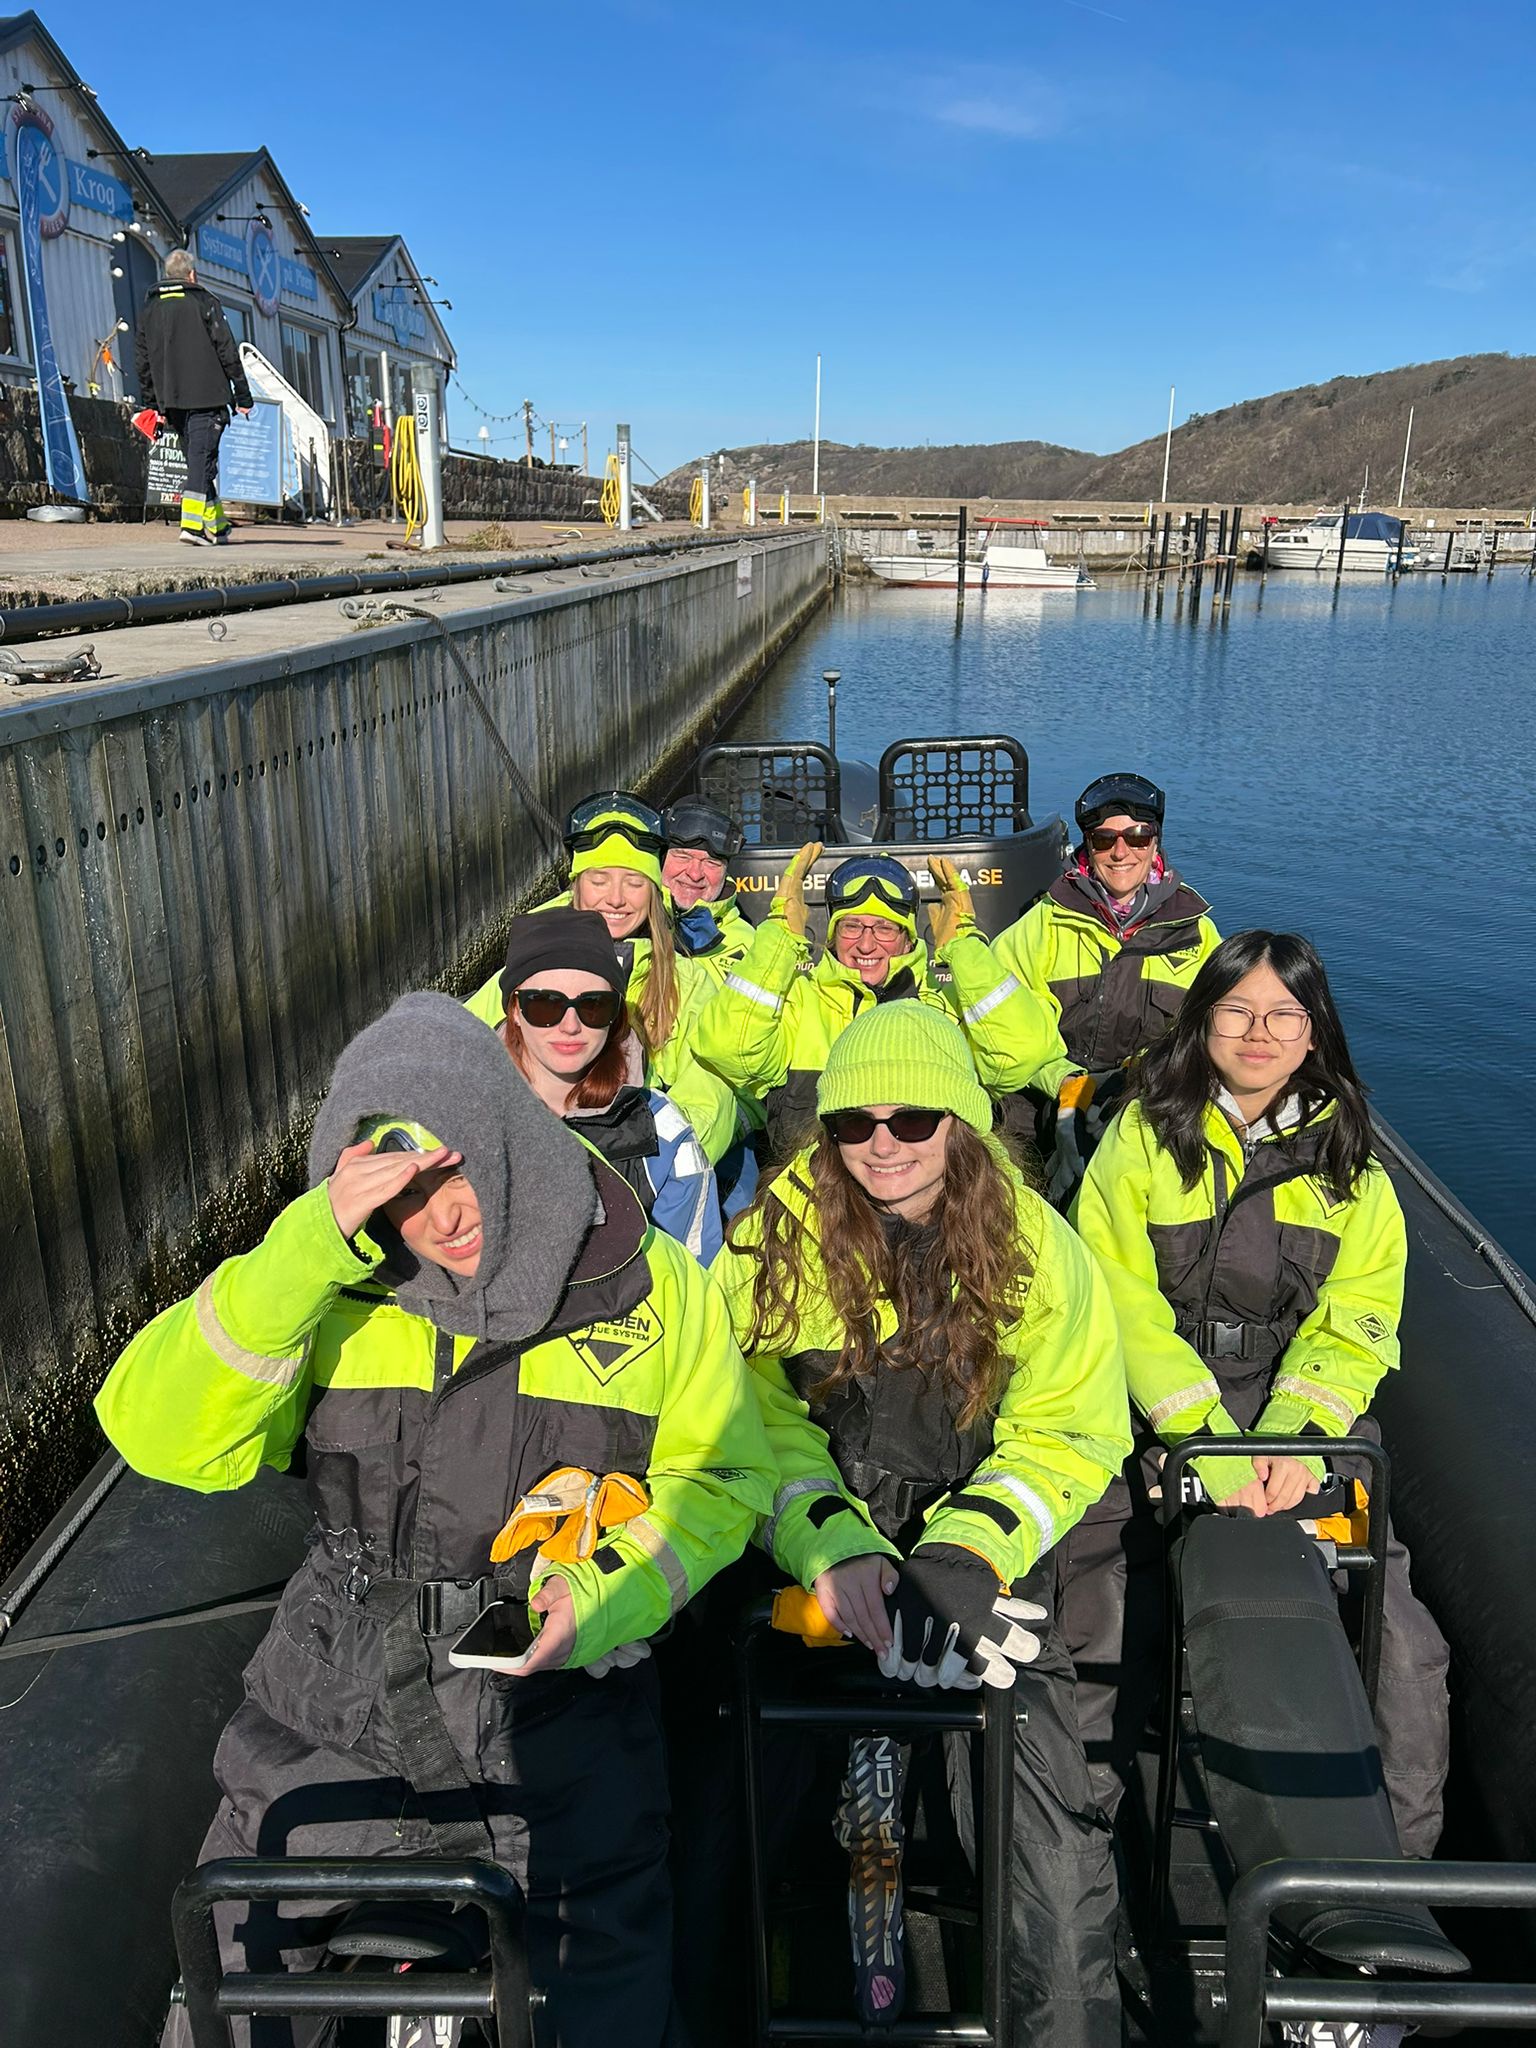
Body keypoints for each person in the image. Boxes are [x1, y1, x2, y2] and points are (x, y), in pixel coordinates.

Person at [94, 992, 775, 2048]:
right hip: (327, 1714)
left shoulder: (657, 1287)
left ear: (505, 1134)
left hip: (554, 1719)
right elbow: (160, 1436)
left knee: (608, 2001)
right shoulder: (332, 1290)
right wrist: (305, 1249)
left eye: (455, 1172)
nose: (443, 1217)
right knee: (227, 1989)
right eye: (401, 1193)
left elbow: (722, 1477)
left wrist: (598, 1597)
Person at [712, 1003, 1132, 2048]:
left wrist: (963, 1552)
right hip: (817, 1565)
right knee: (715, 1822)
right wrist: (833, 1542)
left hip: (976, 1567)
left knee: (1053, 1846)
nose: (882, 1143)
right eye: (854, 1122)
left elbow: (1069, 1428)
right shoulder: (773, 1237)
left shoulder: (1039, 1248)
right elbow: (742, 1418)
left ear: (959, 1123)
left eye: (911, 1117)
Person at [1064, 931, 1450, 1855]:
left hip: (1300, 1420)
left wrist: (1294, 1439)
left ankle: (1398, 1880)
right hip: (1157, 1410)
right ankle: (1081, 1851)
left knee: (1404, 1644)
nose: (1259, 1033)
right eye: (1236, 1011)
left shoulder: (1352, 1163)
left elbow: (1357, 1318)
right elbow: (1115, 1299)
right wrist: (1202, 1437)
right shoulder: (1141, 1139)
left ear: (1315, 1031)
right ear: (1203, 1023)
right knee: (1096, 1609)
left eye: (1284, 1014)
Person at [693, 844, 1061, 1162]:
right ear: (833, 934)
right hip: (818, 1196)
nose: (866, 944)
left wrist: (965, 947)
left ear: (907, 938)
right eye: (851, 926)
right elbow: (728, 1050)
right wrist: (779, 938)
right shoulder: (800, 1001)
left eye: (885, 928)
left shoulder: (943, 1004)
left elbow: (1021, 1056)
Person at [466, 792, 740, 1164]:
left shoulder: (688, 984)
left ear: (654, 892)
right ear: (576, 886)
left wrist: (640, 1163)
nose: (615, 899)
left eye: (634, 883)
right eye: (599, 880)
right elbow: (455, 1045)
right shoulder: (529, 969)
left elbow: (710, 1095)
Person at [992, 774, 1219, 1193]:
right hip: (1044, 1100)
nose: (1120, 852)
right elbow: (1004, 1030)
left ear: (1155, 843)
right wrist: (1064, 1082)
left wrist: (1136, 1082)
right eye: (1104, 839)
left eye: (1137, 837)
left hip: (1148, 1102)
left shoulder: (1198, 933)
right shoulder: (1042, 924)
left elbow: (1211, 1035)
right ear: (1087, 846)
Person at [496, 906, 723, 1262]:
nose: (570, 1026)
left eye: (593, 1006)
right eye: (545, 1004)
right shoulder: (466, 1117)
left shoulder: (661, 1131)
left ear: (615, 1013)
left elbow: (692, 1272)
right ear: (515, 1010)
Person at [134, 247, 254, 547]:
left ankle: (219, 526)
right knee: (201, 461)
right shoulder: (204, 302)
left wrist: (152, 403)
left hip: (171, 401)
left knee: (198, 462)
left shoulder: (149, 309)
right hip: (207, 397)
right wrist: (243, 395)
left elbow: (142, 360)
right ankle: (191, 526)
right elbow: (227, 349)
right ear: (192, 274)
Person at [661, 794, 753, 977]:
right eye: (683, 857)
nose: (695, 874)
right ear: (659, 859)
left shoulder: (752, 946)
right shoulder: (628, 925)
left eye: (711, 863)